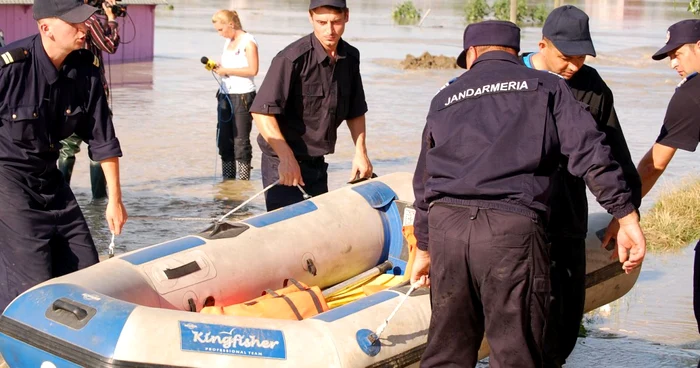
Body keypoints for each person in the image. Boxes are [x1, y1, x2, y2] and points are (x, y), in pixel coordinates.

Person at [409, 20, 646, 368]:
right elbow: (590, 151)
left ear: (472, 53)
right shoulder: (547, 87)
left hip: (449, 231)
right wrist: (625, 214)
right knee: (515, 352)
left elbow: (425, 180)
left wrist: (425, 247)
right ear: (515, 50)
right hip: (510, 231)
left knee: (446, 352)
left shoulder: (444, 97)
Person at [519, 6, 642, 367]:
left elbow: (615, 153)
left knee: (564, 323)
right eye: (565, 58)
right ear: (543, 44)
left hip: (569, 218)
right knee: (522, 319)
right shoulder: (512, 79)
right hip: (519, 221)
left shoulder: (592, 87)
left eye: (580, 58)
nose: (573, 67)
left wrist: (626, 214)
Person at [0, 0, 127, 310]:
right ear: (47, 28)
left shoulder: (86, 72)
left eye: (85, 21)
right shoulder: (11, 68)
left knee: (86, 265)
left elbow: (103, 138)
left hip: (49, 175)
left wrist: (115, 200)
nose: (84, 28)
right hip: (8, 178)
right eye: (75, 23)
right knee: (32, 273)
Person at [604, 18, 700, 335]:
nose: (673, 62)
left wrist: (624, 214)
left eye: (678, 53)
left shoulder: (692, 94)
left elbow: (653, 165)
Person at [249, 0, 372, 211]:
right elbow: (261, 112)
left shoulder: (351, 58)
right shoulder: (291, 59)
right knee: (288, 232)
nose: (329, 30)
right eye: (321, 22)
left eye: (336, 22)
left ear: (347, 16)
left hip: (317, 164)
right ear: (310, 18)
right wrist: (286, 158)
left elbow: (356, 110)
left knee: (320, 230)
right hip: (282, 163)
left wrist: (361, 153)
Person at [58, 0, 121, 199]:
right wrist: (112, 20)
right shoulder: (89, 19)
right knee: (99, 143)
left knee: (67, 147)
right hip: (91, 88)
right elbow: (109, 45)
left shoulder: (61, 17)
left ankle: (61, 195)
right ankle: (99, 201)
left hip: (65, 88)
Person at [211, 9, 259, 181]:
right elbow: (228, 67)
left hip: (243, 97)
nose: (220, 34)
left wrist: (227, 70)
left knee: (241, 141)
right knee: (224, 141)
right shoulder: (228, 41)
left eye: (220, 30)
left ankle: (244, 180)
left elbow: (253, 70)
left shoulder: (248, 42)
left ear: (231, 25)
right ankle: (228, 182)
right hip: (225, 95)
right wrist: (218, 68)